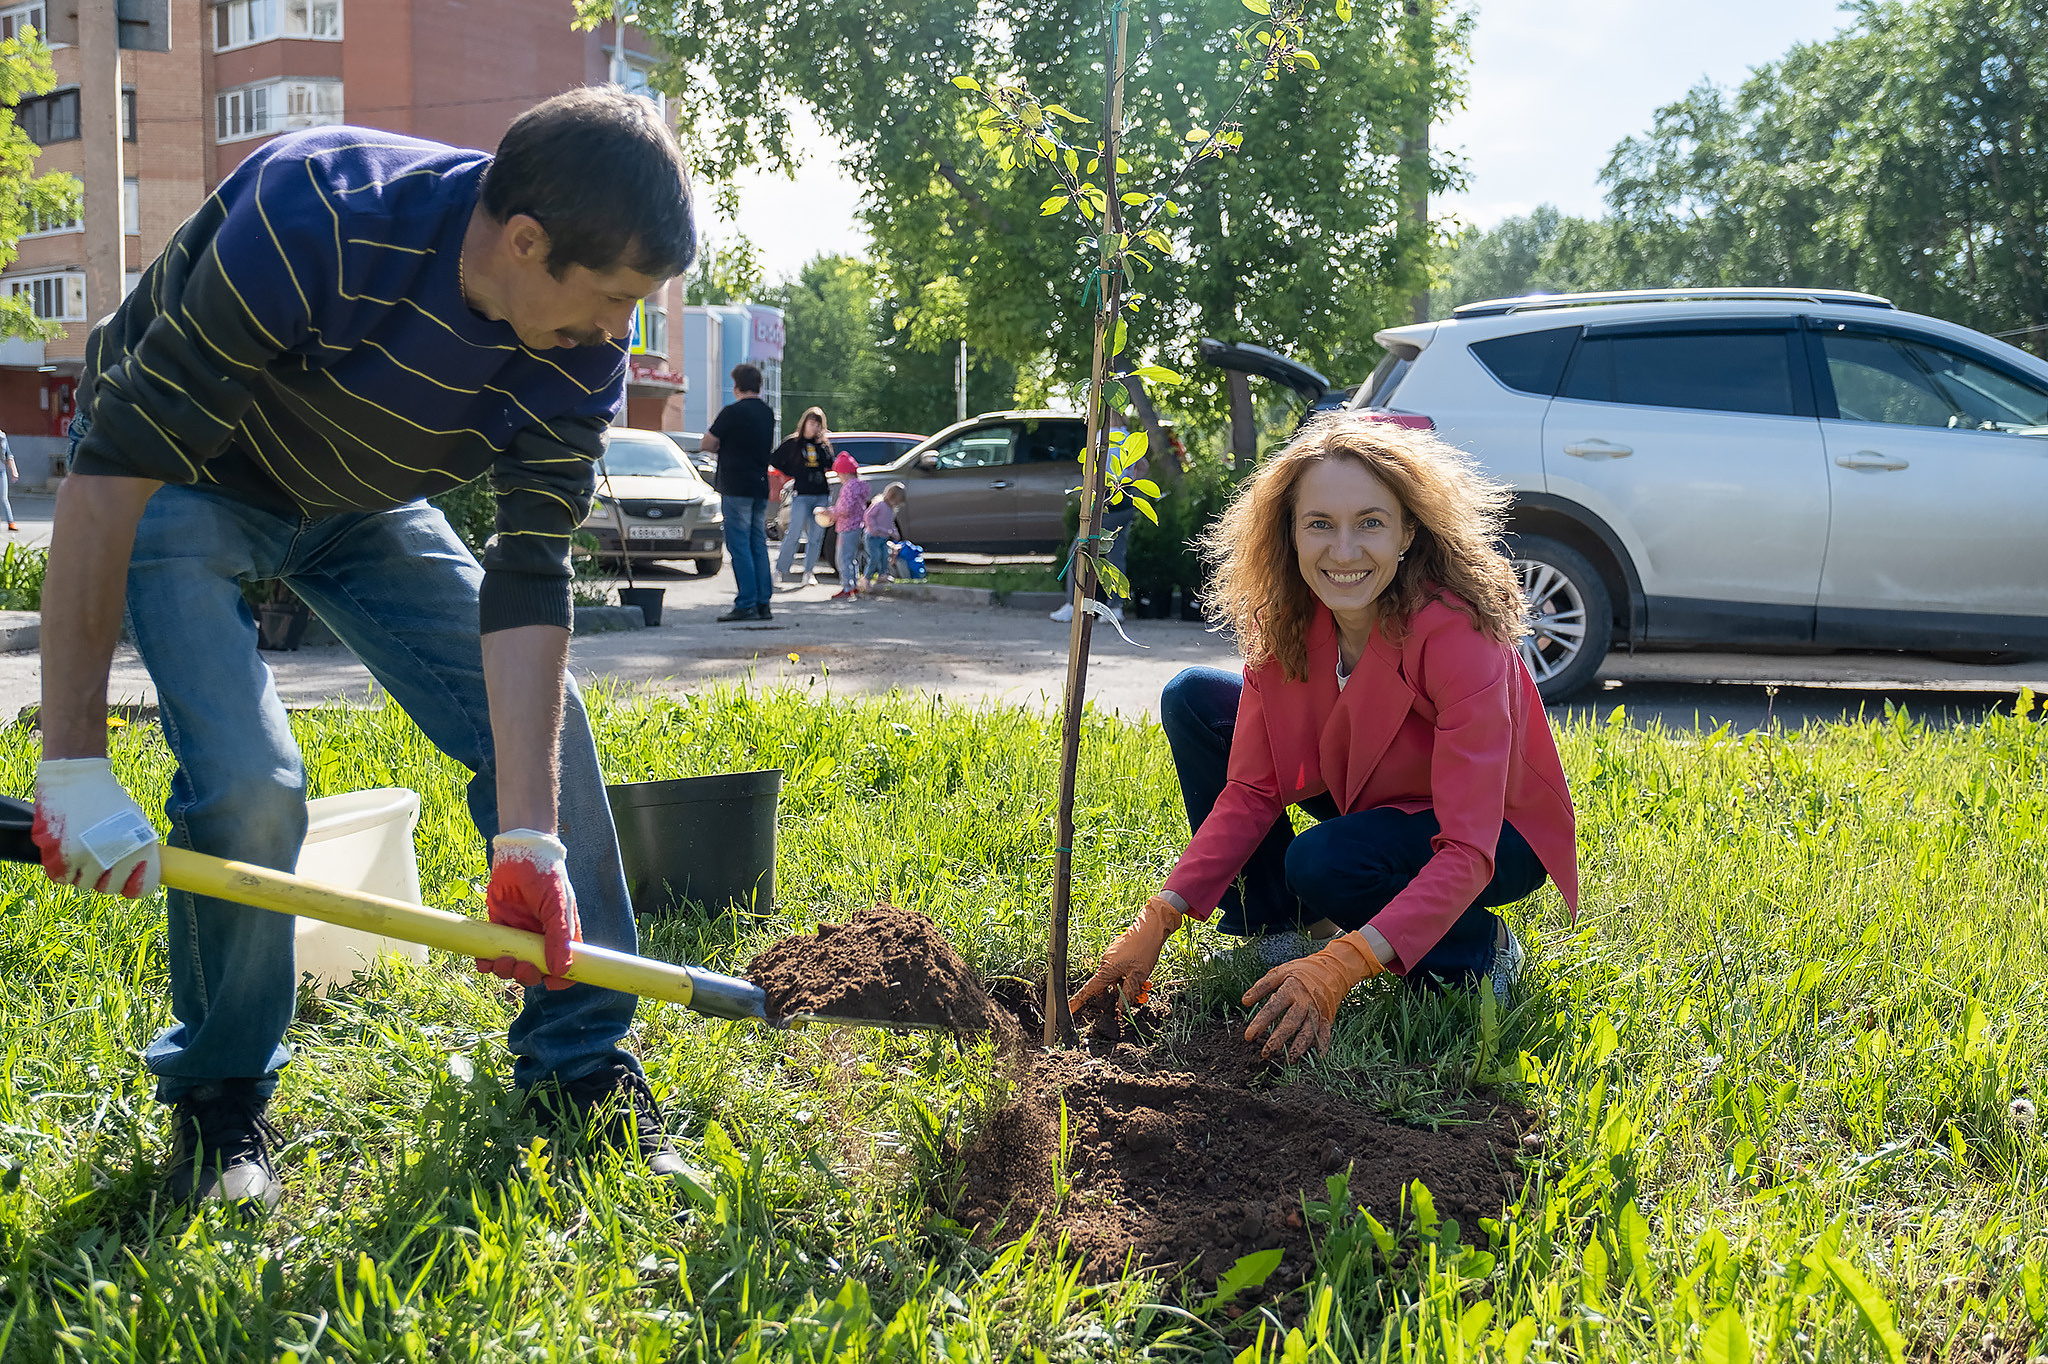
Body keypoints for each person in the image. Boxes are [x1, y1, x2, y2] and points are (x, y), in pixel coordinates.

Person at [32, 88, 698, 1209]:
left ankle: (577, 1062)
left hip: (363, 500)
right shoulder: (323, 215)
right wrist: (72, 761)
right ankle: (220, 1094)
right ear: (525, 241)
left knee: (547, 734)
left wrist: (528, 834)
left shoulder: (575, 353)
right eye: (612, 300)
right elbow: (107, 480)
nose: (616, 333)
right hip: (187, 478)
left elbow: (529, 580)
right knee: (251, 788)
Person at [1072, 417, 1579, 1061]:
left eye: (1370, 522)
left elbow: (1468, 850)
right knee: (1194, 698)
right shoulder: (1285, 618)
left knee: (1324, 861)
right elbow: (1252, 788)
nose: (1343, 551)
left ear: (1408, 534)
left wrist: (1343, 964)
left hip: (1494, 835)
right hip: (1369, 789)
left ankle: (1479, 949)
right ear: (1290, 533)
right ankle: (1276, 927)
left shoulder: (1457, 632)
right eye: (1320, 524)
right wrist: (1159, 916)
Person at [701, 363, 777, 622]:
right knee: (758, 543)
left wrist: (723, 444)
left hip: (735, 486)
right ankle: (763, 602)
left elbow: (707, 443)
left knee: (740, 546)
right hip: (759, 485)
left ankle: (746, 602)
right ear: (760, 386)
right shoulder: (767, 414)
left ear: (736, 387)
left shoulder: (732, 412)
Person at [771, 406, 834, 587]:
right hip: (801, 494)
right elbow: (775, 460)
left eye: (818, 425)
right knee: (794, 533)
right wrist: (793, 472)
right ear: (805, 422)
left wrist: (823, 442)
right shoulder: (793, 443)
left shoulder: (822, 445)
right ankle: (780, 570)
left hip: (821, 494)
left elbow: (830, 463)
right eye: (812, 423)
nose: (814, 428)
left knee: (816, 535)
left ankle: (809, 572)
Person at [828, 451, 869, 601]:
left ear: (844, 473)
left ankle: (847, 587)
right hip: (856, 526)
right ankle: (854, 585)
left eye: (838, 474)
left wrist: (831, 512)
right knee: (852, 558)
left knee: (843, 558)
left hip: (846, 527)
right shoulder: (859, 487)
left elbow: (845, 509)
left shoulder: (848, 488)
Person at [862, 482, 908, 591]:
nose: (895, 504)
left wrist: (894, 532)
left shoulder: (890, 509)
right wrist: (873, 527)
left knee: (884, 556)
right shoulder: (879, 505)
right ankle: (866, 578)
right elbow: (868, 515)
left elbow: (890, 523)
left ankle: (882, 574)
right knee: (874, 557)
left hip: (883, 537)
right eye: (895, 501)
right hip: (873, 537)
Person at [1, 431, 17, 532]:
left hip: (1, 472)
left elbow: (9, 455)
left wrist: (14, 471)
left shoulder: (2, 437)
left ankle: (11, 522)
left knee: (3, 498)